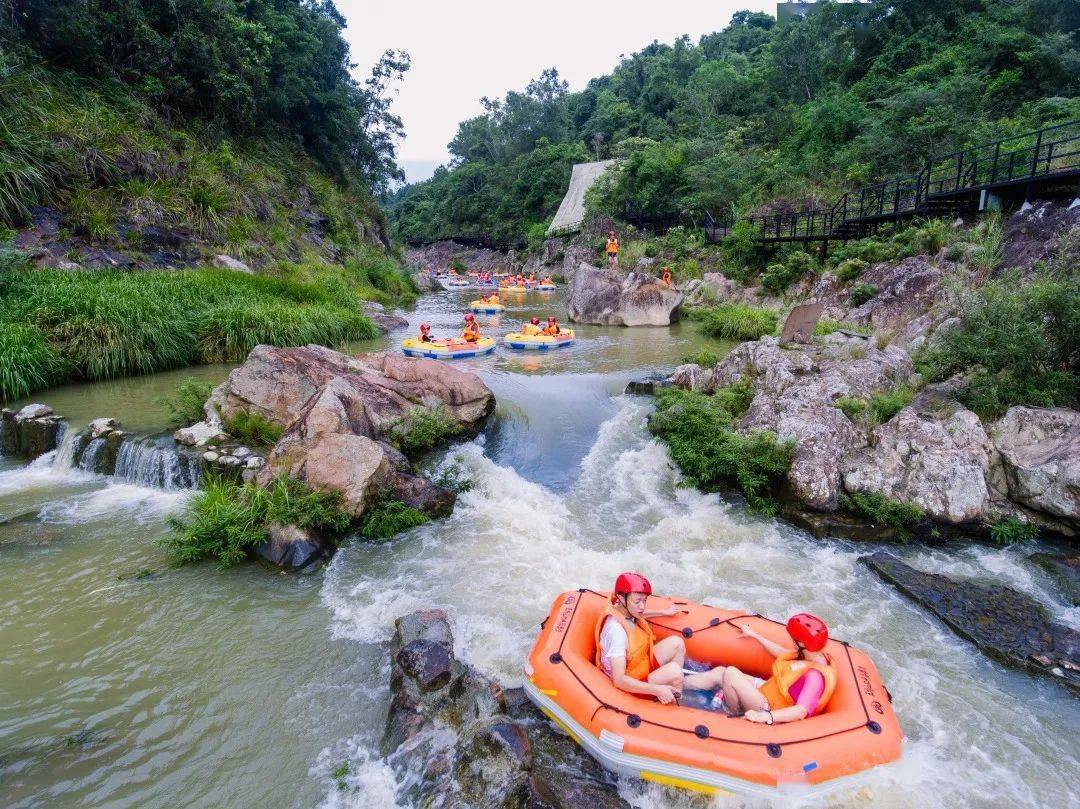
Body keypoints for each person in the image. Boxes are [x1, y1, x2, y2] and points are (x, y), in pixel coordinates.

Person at [595, 573, 726, 705]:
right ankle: (673, 699)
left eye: (644, 601)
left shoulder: (623, 609)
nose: (642, 606)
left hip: (638, 665)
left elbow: (635, 614)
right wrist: (657, 690)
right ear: (621, 598)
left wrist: (662, 612)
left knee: (676, 643)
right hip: (630, 683)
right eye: (637, 601)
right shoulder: (616, 632)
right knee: (674, 671)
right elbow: (619, 680)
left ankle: (675, 686)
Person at [724, 614, 838, 725]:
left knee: (730, 673)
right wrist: (754, 635)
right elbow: (781, 652)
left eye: (794, 639)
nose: (792, 641)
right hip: (770, 691)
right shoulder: (812, 655)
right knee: (720, 672)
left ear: (801, 643)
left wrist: (764, 716)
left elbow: (801, 711)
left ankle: (734, 714)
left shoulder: (815, 677)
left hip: (770, 708)